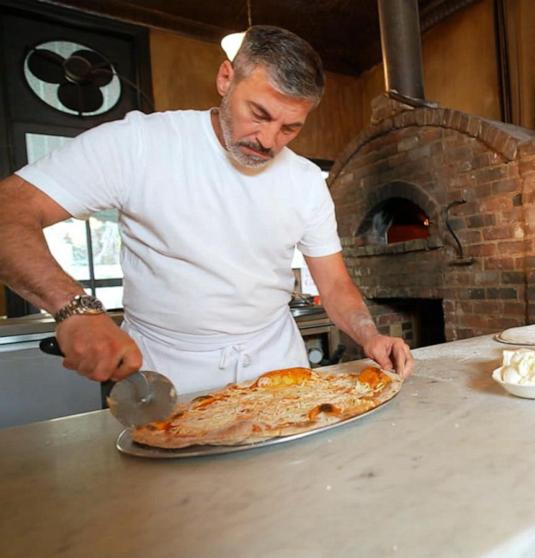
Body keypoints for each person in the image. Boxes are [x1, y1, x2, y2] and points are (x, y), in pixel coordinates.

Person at [0, 26, 413, 394]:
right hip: (165, 374)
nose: (269, 140)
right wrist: (76, 309)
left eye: (290, 128)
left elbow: (336, 285)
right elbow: (9, 210)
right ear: (225, 78)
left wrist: (369, 334)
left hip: (277, 369)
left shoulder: (305, 182)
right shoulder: (140, 144)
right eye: (259, 114)